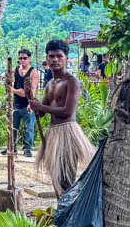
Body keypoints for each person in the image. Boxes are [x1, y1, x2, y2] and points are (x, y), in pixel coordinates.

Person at [29, 39, 95, 197]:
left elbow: (67, 111)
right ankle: (62, 215)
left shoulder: (72, 81)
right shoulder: (50, 83)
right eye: (51, 56)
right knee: (56, 180)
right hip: (53, 134)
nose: (55, 60)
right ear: (47, 58)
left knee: (66, 180)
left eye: (59, 56)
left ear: (66, 58)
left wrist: (40, 107)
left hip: (68, 134)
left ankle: (69, 216)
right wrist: (32, 102)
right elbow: (42, 112)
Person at [12, 48, 39, 159]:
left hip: (27, 103)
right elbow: (10, 84)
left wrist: (31, 102)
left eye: (24, 58)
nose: (22, 60)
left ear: (29, 59)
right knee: (13, 127)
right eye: (20, 58)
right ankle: (12, 147)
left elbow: (31, 90)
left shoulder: (33, 72)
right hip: (16, 103)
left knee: (29, 128)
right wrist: (16, 91)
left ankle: (27, 149)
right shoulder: (16, 70)